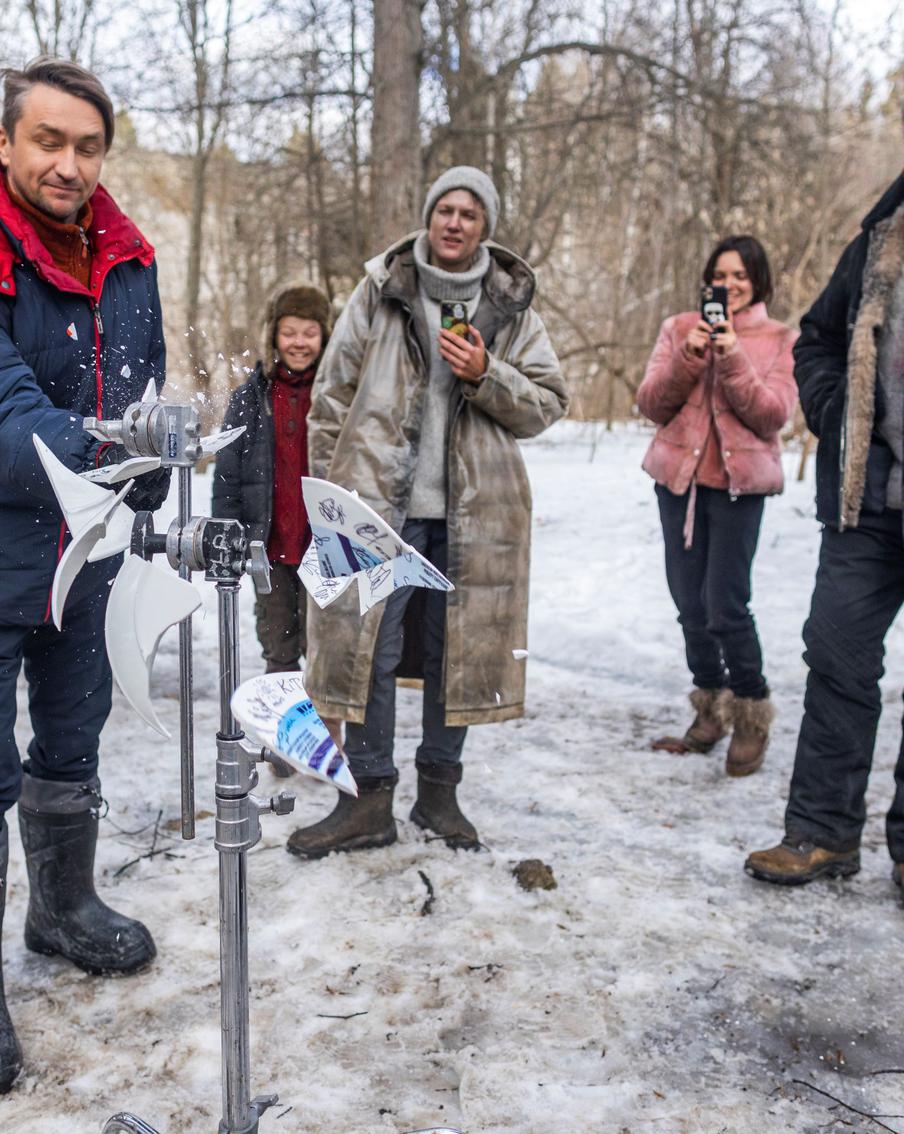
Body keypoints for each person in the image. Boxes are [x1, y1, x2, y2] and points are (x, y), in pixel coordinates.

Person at [286, 165, 568, 858]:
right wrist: (332, 496)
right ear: (427, 214)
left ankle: (440, 796)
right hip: (378, 511)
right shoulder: (382, 289)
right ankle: (368, 800)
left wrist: (486, 375)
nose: (454, 222)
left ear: (485, 227)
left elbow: (548, 402)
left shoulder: (510, 305)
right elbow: (331, 397)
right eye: (445, 207)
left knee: (459, 654)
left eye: (470, 213)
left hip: (478, 515)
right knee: (366, 655)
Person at [0, 57, 170, 1091]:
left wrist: (152, 456)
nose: (69, 163)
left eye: (88, 145)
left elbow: (136, 391)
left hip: (85, 557)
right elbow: (7, 415)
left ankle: (62, 907)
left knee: (71, 741)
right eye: (48, 141)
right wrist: (112, 452)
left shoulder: (128, 257)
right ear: (8, 144)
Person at [746, 172, 904, 888]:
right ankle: (822, 833)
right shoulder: (879, 244)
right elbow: (813, 339)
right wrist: (837, 409)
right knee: (837, 656)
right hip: (865, 503)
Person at [636, 235, 797, 777]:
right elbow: (651, 403)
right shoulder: (679, 329)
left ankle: (751, 713)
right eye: (720, 276)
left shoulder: (779, 339)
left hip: (737, 490)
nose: (728, 286)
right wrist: (691, 357)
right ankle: (710, 708)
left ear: (758, 284)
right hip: (678, 485)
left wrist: (732, 360)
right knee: (689, 604)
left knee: (726, 605)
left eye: (740, 278)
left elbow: (772, 416)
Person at [212, 283, 331, 673]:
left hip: (326, 552)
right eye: (289, 332)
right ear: (273, 337)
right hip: (270, 548)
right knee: (278, 652)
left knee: (326, 656)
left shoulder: (336, 397)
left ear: (325, 336)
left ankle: (325, 734)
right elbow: (227, 477)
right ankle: (280, 734)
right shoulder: (250, 398)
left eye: (310, 333)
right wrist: (228, 536)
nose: (299, 343)